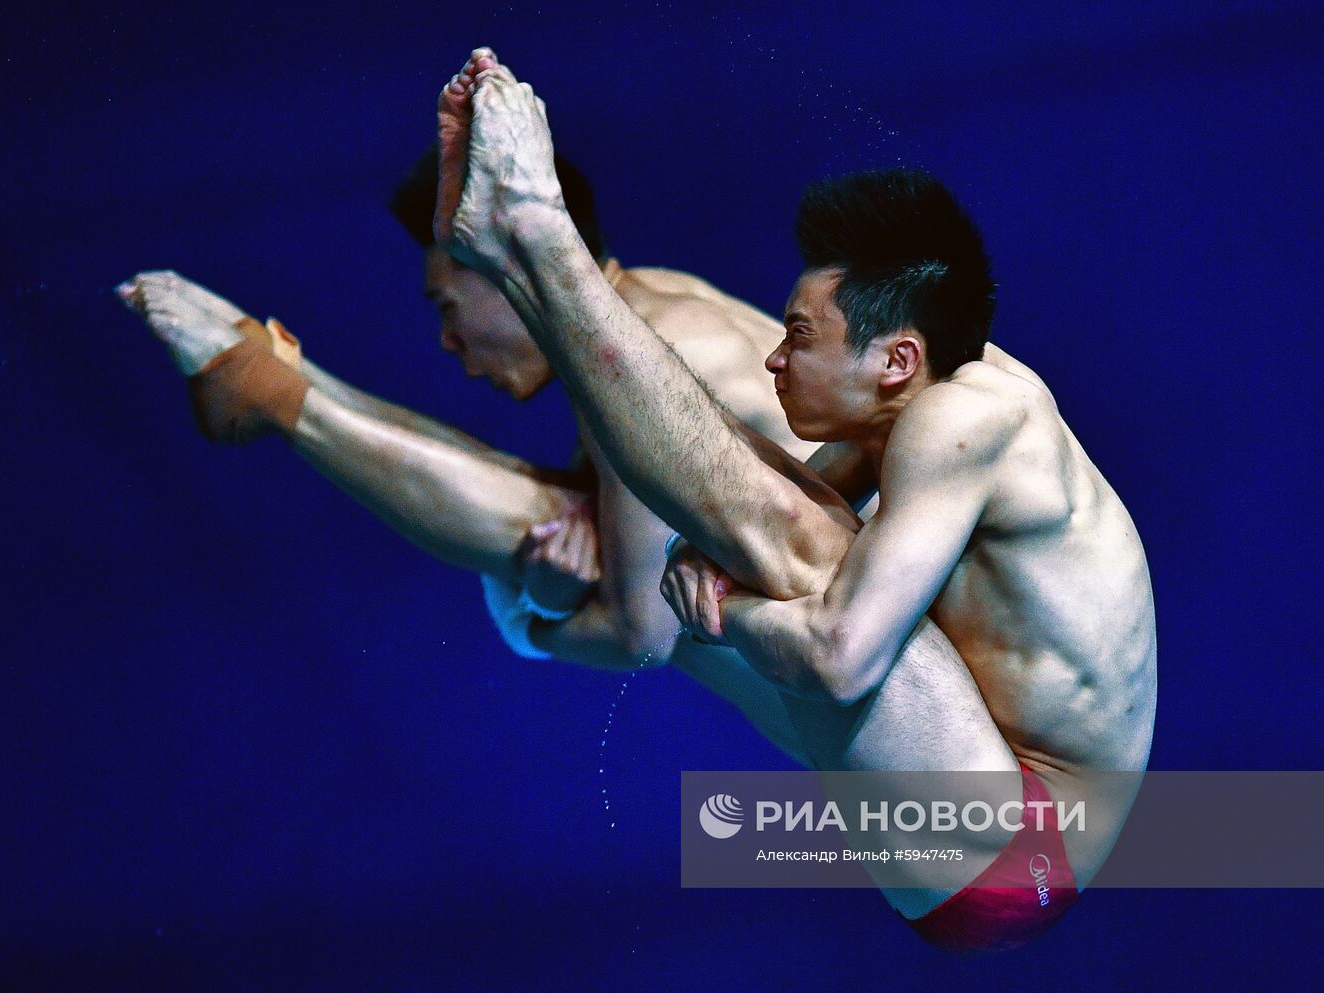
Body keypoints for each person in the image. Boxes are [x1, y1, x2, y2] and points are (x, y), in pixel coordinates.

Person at [442, 49, 1158, 951]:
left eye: (799, 336)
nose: (775, 358)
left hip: (1022, 848)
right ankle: (492, 279)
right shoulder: (931, 390)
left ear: (894, 360)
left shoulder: (962, 420)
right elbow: (782, 491)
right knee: (737, 499)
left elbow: (836, 658)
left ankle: (537, 237)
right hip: (981, 804)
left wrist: (728, 610)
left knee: (783, 543)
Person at [115, 51, 849, 765]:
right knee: (587, 524)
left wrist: (536, 616)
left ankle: (271, 389)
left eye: (449, 306)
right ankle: (270, 379)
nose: (448, 341)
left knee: (562, 535)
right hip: (902, 713)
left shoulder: (639, 355)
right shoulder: (655, 293)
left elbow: (642, 635)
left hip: (918, 754)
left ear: (500, 273)